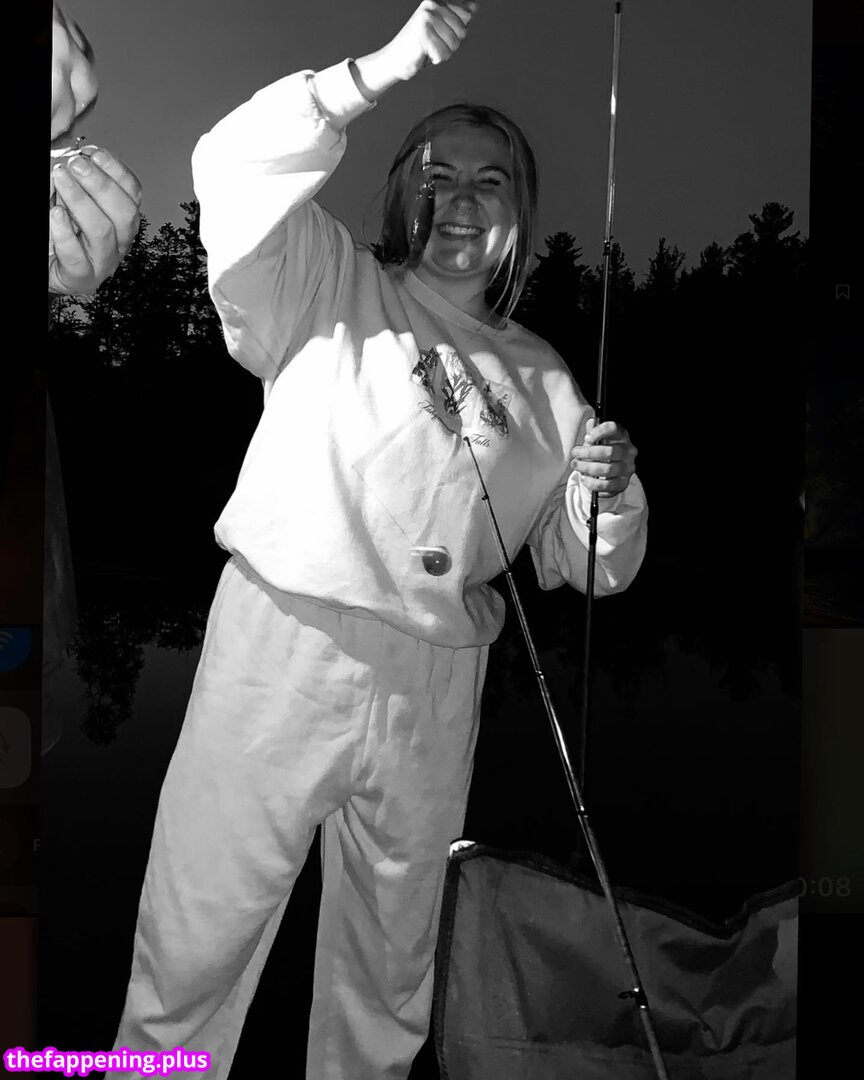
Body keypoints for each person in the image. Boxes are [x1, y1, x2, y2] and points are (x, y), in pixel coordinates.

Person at [111, 3, 647, 1078]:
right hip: (280, 650)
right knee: (194, 945)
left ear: (519, 213)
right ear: (402, 190)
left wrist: (611, 492)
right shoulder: (322, 278)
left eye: (489, 181)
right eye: (436, 175)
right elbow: (228, 165)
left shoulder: (546, 376)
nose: (460, 200)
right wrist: (381, 69)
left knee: (388, 980)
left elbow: (588, 562)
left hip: (435, 690)